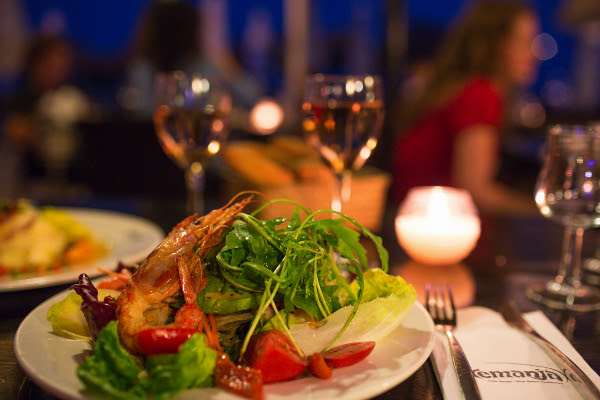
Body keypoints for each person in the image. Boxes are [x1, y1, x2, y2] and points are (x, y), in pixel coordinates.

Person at [389, 0, 540, 215]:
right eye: (523, 41)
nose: (534, 53)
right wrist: (541, 213)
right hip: (434, 223)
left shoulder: (457, 87)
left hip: (411, 214)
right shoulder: (479, 94)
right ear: (494, 44)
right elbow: (475, 190)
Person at [122, 0, 263, 116]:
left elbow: (252, 96)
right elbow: (251, 95)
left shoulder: (141, 67)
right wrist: (228, 67)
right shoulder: (143, 68)